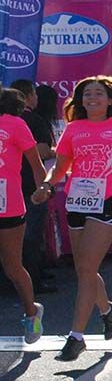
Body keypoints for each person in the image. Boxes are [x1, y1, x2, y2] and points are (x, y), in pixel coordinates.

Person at [33, 76, 112, 361]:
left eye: (99, 93)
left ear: (111, 100)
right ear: (79, 101)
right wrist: (47, 186)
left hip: (107, 202)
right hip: (77, 201)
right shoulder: (74, 129)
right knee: (84, 268)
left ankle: (76, 336)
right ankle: (108, 309)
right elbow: (61, 168)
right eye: (86, 94)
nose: (92, 98)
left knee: (86, 268)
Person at [0, 89, 47, 342]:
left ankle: (32, 313)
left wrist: (43, 189)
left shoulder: (15, 124)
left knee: (12, 266)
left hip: (8, 205)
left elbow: (35, 162)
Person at [9, 80, 57, 296]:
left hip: (14, 187)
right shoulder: (32, 121)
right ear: (28, 96)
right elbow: (41, 153)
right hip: (29, 188)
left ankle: (26, 277)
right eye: (34, 95)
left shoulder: (14, 123)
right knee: (30, 237)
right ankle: (32, 282)